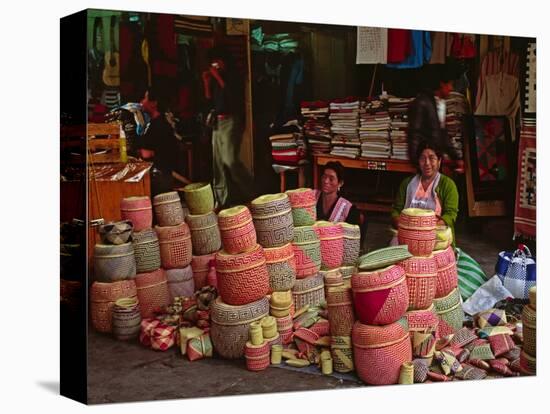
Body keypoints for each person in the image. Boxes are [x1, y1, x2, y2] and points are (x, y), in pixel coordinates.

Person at [202, 46, 254, 208]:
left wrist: (217, 77)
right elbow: (209, 100)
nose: (215, 64)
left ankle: (252, 192)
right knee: (217, 163)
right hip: (217, 121)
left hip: (231, 121)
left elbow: (233, 98)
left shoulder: (233, 77)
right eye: (213, 62)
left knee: (229, 160)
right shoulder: (217, 79)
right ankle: (221, 200)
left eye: (217, 61)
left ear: (224, 61)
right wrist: (206, 83)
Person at [391, 141, 459, 245]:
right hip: (407, 234)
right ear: (418, 161)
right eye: (423, 158)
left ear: (439, 161)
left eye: (432, 158)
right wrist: (403, 226)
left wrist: (427, 230)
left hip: (435, 236)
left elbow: (450, 215)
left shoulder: (448, 185)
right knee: (394, 250)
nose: (427, 163)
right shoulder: (407, 184)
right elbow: (396, 210)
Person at [408, 63, 464, 172]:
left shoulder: (439, 103)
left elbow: (442, 133)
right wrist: (419, 162)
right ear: (441, 84)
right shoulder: (422, 102)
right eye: (450, 84)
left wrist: (456, 157)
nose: (451, 88)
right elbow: (414, 134)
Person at [138, 88, 190, 197]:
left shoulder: (160, 125)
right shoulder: (153, 123)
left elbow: (149, 153)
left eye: (145, 98)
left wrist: (149, 153)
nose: (141, 102)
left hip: (160, 178)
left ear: (154, 103)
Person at [315, 161, 361, 226]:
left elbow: (352, 234)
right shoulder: (311, 196)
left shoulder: (348, 209)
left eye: (331, 179)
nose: (326, 181)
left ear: (340, 183)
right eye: (324, 177)